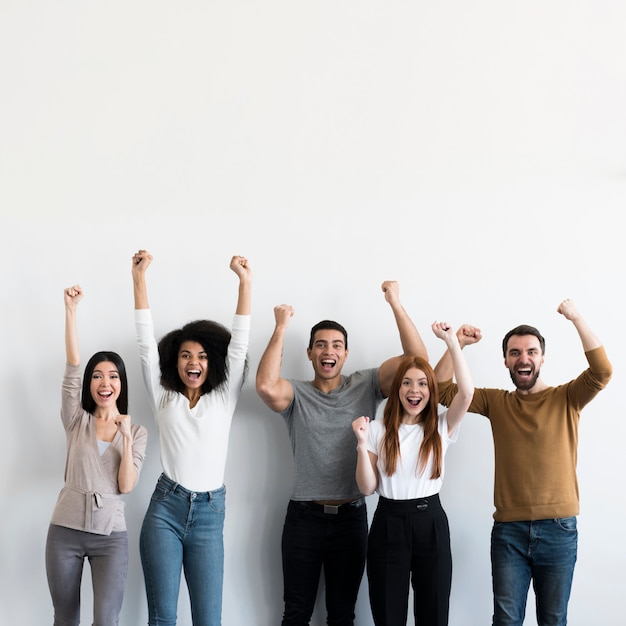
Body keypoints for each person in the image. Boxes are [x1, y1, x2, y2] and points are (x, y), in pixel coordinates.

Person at [255, 281, 428, 626]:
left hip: (351, 518)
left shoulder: (365, 384)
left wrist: (395, 303)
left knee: (342, 614)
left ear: (345, 354)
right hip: (303, 517)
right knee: (296, 612)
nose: (328, 351)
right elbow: (264, 386)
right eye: (320, 345)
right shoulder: (296, 394)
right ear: (309, 354)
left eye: (336, 345)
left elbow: (418, 361)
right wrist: (280, 327)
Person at [433, 299, 612, 626]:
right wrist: (456, 343)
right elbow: (442, 391)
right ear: (505, 361)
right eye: (515, 353)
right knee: (505, 620)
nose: (523, 358)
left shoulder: (567, 397)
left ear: (542, 358)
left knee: (553, 620)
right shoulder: (497, 402)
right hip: (509, 532)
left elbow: (603, 372)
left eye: (531, 351)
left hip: (559, 529)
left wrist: (576, 318)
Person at [131, 249, 251, 626]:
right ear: (175, 362)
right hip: (165, 510)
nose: (193, 362)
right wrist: (139, 279)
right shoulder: (163, 396)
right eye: (185, 355)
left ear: (211, 362)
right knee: (163, 618)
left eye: (200, 356)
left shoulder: (223, 397)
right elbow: (145, 345)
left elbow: (240, 346)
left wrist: (244, 283)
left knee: (208, 620)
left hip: (210, 515)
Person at [352, 322, 474, 626]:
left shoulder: (440, 427)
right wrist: (360, 444)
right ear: (398, 389)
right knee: (388, 612)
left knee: (433, 613)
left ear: (430, 391)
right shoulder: (378, 429)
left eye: (422, 383)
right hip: (388, 521)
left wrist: (451, 342)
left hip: (430, 519)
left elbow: (467, 392)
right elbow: (367, 487)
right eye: (407, 383)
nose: (414, 390)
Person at [45, 285, 147, 626]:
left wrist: (126, 437)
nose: (106, 382)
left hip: (110, 537)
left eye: (113, 376)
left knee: (106, 620)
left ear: (121, 384)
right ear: (90, 384)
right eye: (98, 376)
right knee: (65, 618)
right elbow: (72, 368)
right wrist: (70, 311)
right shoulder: (76, 419)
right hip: (65, 530)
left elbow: (127, 487)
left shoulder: (137, 432)